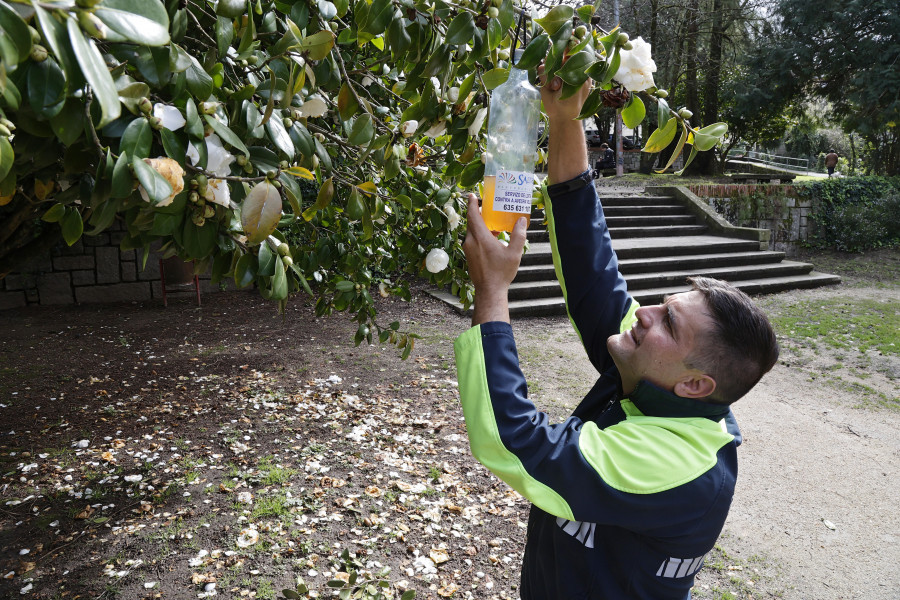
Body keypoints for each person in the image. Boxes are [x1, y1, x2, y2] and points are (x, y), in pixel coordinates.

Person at [454, 72, 780, 599]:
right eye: (665, 305)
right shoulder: (659, 376)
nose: (644, 314)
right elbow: (592, 270)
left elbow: (516, 442)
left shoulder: (678, 466)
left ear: (695, 384)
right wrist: (565, 120)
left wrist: (492, 289)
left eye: (669, 323)